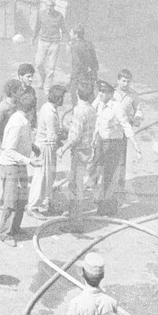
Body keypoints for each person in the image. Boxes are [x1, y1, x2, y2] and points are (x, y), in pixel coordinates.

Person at [0, 91, 34, 246]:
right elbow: (9, 150)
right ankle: (5, 234)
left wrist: (34, 147)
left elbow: (23, 141)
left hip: (20, 164)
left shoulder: (23, 120)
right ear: (31, 109)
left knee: (21, 200)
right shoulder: (17, 122)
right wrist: (29, 160)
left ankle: (15, 228)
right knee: (11, 202)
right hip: (11, 166)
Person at [93, 80, 136, 216]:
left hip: (113, 144)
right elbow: (96, 121)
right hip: (101, 142)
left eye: (104, 92)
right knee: (97, 172)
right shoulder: (99, 103)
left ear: (111, 94)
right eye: (99, 91)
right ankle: (100, 199)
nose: (100, 93)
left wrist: (135, 143)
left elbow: (125, 124)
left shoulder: (116, 107)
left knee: (110, 175)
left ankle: (106, 205)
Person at [64, 85, 98, 228]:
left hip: (78, 151)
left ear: (77, 94)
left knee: (75, 187)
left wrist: (63, 148)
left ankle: (75, 222)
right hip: (87, 150)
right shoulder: (92, 109)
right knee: (75, 183)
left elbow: (75, 136)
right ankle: (74, 215)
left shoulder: (79, 110)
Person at [31, 84, 68, 215]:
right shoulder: (50, 113)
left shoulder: (49, 108)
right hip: (45, 148)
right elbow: (53, 136)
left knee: (49, 177)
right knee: (41, 178)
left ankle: (46, 201)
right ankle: (33, 207)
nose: (63, 99)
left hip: (47, 146)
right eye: (62, 97)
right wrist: (65, 138)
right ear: (58, 99)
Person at [33, 0, 68, 92]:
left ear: (54, 7)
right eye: (47, 6)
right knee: (38, 63)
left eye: (51, 6)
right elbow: (37, 27)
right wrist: (33, 39)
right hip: (43, 41)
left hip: (54, 43)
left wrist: (66, 43)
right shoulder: (41, 14)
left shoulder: (59, 16)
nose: (49, 8)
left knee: (51, 67)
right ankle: (43, 78)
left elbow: (64, 30)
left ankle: (47, 87)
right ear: (45, 6)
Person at [68, 26, 99, 100]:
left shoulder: (74, 46)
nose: (70, 34)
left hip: (79, 74)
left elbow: (77, 62)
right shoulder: (89, 44)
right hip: (90, 73)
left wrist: (73, 79)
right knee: (90, 94)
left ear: (76, 35)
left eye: (71, 33)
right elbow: (94, 60)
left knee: (75, 94)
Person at [14, 63, 38, 127]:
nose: (31, 79)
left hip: (27, 125)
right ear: (20, 76)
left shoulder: (31, 91)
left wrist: (33, 126)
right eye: (28, 76)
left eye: (32, 76)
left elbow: (33, 111)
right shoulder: (13, 90)